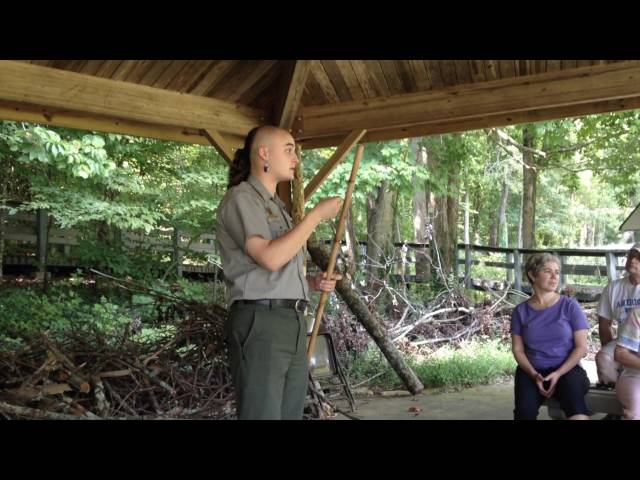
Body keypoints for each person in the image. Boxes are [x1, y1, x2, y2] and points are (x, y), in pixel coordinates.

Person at [216, 125, 343, 420]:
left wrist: (313, 282)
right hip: (262, 323)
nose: (296, 157)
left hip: (292, 321)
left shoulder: (278, 206)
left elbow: (280, 269)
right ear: (264, 153)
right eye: (288, 149)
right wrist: (313, 217)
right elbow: (270, 259)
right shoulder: (241, 199)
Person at [511, 252, 590, 420]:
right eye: (547, 271)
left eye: (557, 272)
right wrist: (533, 374)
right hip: (531, 372)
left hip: (568, 370)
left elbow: (581, 347)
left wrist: (559, 373)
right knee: (524, 413)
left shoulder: (570, 306)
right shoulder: (520, 311)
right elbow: (518, 350)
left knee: (576, 407)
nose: (555, 277)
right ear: (532, 275)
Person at [595, 243, 640, 386]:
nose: (633, 260)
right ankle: (617, 389)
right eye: (631, 255)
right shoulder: (613, 287)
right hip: (624, 341)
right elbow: (604, 325)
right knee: (603, 358)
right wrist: (617, 353)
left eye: (639, 258)